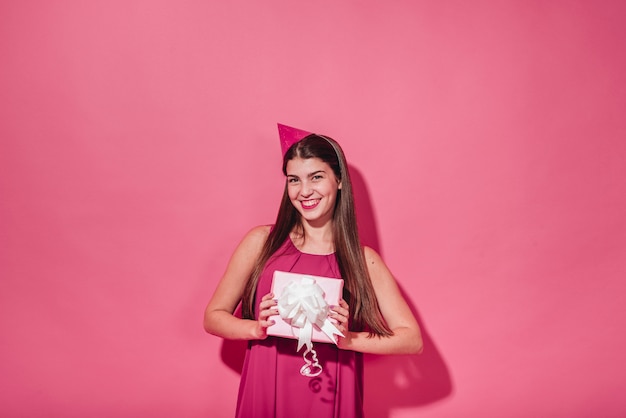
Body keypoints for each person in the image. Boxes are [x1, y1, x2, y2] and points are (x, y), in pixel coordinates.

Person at [204, 124, 423, 418]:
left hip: (332, 398)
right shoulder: (260, 243)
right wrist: (256, 327)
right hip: (267, 390)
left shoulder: (363, 261)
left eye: (316, 177)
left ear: (339, 180)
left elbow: (411, 339)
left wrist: (349, 339)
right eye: (294, 179)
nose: (304, 191)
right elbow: (213, 317)